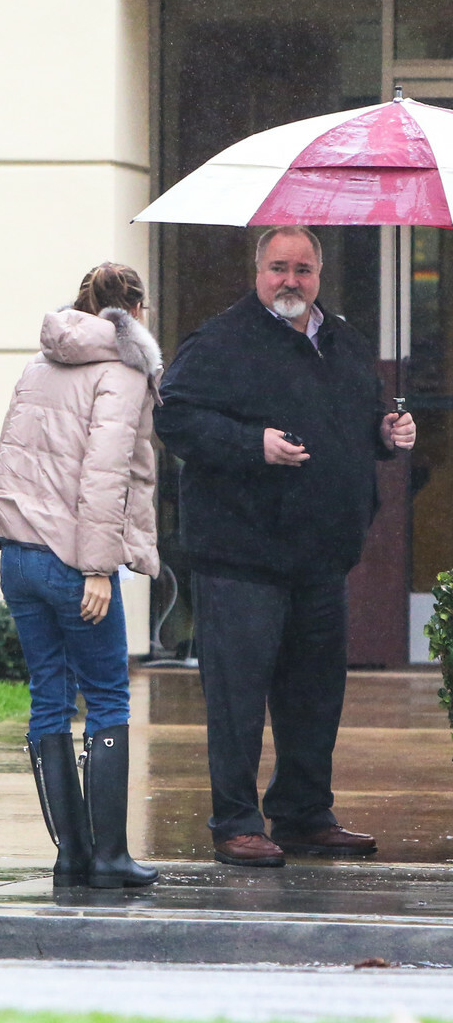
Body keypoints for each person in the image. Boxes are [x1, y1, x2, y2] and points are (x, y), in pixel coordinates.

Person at [154, 226, 417, 868]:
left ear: (319, 275)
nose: (290, 281)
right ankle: (236, 823)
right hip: (241, 554)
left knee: (314, 697)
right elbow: (175, 417)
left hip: (321, 555)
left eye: (303, 269)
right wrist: (254, 445)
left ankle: (303, 815)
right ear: (258, 272)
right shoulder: (220, 341)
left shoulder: (343, 341)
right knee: (238, 698)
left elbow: (359, 419)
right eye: (278, 267)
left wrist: (386, 433)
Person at [0, 262, 162, 888]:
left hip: (18, 554)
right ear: (133, 311)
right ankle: (109, 857)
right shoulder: (122, 372)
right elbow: (105, 477)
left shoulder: (40, 363)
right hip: (71, 559)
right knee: (108, 696)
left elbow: (11, 456)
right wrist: (98, 569)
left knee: (49, 699)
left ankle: (71, 856)